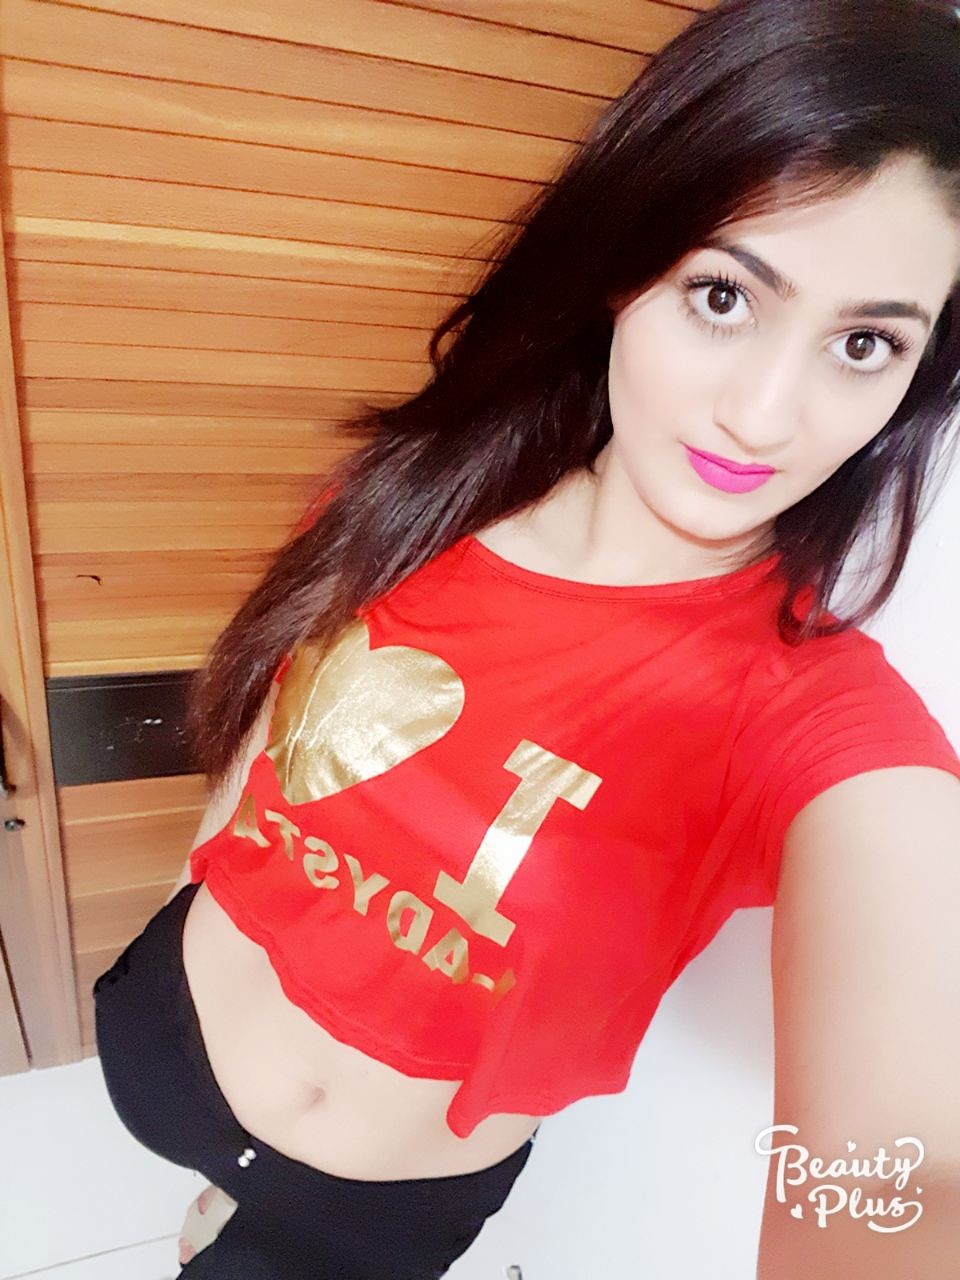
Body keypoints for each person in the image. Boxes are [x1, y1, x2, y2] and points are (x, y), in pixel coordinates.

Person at [91, 0, 960, 1276]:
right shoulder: (415, 498)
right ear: (627, 264)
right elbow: (270, 738)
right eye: (724, 294)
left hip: (367, 1216)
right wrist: (196, 876)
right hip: (169, 1039)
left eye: (866, 342)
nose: (767, 413)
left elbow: (908, 1172)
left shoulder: (821, 722)